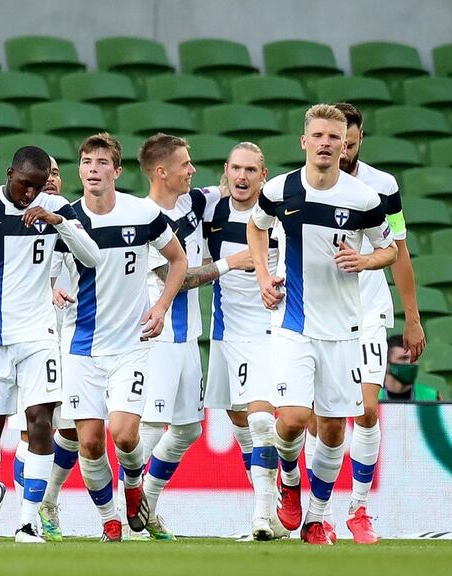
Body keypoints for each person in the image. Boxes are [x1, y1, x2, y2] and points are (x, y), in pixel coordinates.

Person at [248, 104, 398, 545]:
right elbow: (257, 229)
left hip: (345, 329)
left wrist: (366, 259)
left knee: (333, 429)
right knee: (293, 419)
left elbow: (388, 249)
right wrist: (262, 276)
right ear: (304, 141)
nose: (327, 144)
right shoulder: (280, 190)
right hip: (294, 323)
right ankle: (289, 479)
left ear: (345, 143)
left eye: (335, 137)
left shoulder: (364, 198)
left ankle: (317, 517)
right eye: (319, 136)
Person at [0, 146, 99, 543]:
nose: (30, 194)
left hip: (38, 336)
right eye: (24, 184)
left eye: (38, 186)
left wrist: (59, 221)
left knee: (40, 424)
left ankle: (27, 521)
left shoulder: (56, 206)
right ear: (10, 173)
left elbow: (92, 257)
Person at [301, 102, 426, 545]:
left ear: (358, 142)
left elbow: (400, 248)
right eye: (337, 142)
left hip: (369, 311)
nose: (343, 151)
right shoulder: (304, 185)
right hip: (319, 315)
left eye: (350, 144)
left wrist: (411, 318)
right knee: (320, 421)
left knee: (367, 409)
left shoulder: (382, 188)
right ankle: (319, 515)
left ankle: (358, 509)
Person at [56, 133, 186, 542]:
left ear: (117, 170)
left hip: (131, 344)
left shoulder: (142, 213)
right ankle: (109, 520)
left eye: (100, 162)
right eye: (86, 162)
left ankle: (133, 485)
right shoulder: (68, 219)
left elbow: (178, 260)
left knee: (126, 434)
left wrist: (161, 305)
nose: (92, 169)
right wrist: (50, 288)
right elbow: (39, 270)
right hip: (81, 347)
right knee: (90, 443)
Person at [136, 133, 248, 540]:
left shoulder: (195, 202)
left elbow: (232, 185)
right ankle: (117, 514)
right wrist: (229, 263)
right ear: (162, 171)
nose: (192, 169)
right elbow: (173, 277)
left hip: (189, 337)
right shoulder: (143, 218)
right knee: (150, 426)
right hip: (158, 335)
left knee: (188, 430)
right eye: (185, 164)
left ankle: (144, 502)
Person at [202, 142, 286, 540]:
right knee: (241, 420)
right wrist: (226, 264)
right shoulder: (212, 211)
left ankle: (262, 514)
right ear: (226, 169)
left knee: (260, 419)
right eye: (236, 168)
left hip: (269, 329)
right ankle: (273, 499)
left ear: (263, 175)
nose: (242, 177)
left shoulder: (277, 216)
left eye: (251, 170)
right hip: (226, 332)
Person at [5, 155, 79, 542]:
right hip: (36, 339)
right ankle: (28, 515)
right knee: (33, 430)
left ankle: (45, 499)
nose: (49, 181)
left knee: (74, 432)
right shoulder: (21, 224)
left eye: (54, 174)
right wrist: (49, 289)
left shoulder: (70, 220)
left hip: (78, 339)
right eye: (42, 175)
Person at [381, 335, 439, 401]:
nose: (411, 362)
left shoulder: (431, 396)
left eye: (414, 358)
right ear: (386, 364)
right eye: (404, 358)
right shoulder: (371, 396)